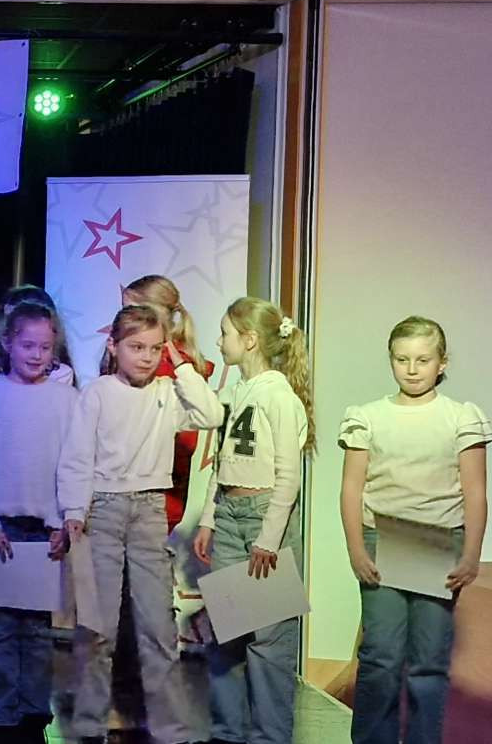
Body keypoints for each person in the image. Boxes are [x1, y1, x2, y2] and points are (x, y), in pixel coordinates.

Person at [57, 304, 223, 744]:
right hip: (104, 509)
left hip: (149, 510)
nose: (146, 357)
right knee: (98, 627)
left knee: (158, 627)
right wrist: (74, 512)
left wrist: (181, 365)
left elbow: (211, 415)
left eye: (154, 348)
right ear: (114, 347)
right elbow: (77, 456)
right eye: (136, 347)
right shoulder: (97, 393)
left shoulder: (168, 391)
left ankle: (171, 729)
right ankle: (89, 725)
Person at [339, 316, 490, 744]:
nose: (411, 369)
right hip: (382, 540)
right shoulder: (368, 416)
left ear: (442, 362)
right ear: (390, 359)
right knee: (381, 657)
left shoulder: (460, 417)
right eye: (401, 359)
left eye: (423, 360)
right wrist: (355, 548)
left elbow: (475, 491)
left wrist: (471, 554)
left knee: (428, 662)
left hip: (437, 543)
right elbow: (351, 488)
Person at [186, 298, 313, 744]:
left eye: (225, 333)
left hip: (263, 520)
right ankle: (227, 733)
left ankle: (269, 737)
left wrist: (269, 538)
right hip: (230, 516)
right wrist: (209, 517)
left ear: (250, 339)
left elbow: (288, 476)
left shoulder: (279, 397)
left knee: (269, 640)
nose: (219, 341)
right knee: (227, 633)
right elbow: (223, 461)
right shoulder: (236, 392)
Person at [0, 301, 75, 744]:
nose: (37, 355)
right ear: (8, 343)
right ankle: (3, 716)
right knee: (2, 628)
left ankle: (33, 714)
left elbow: (75, 463)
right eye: (28, 345)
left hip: (44, 531)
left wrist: (65, 520)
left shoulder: (67, 401)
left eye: (44, 347)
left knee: (38, 630)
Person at [119, 275, 212, 530]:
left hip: (154, 497)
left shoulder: (176, 369)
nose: (123, 319)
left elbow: (188, 439)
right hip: (127, 493)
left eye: (131, 311)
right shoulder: (134, 362)